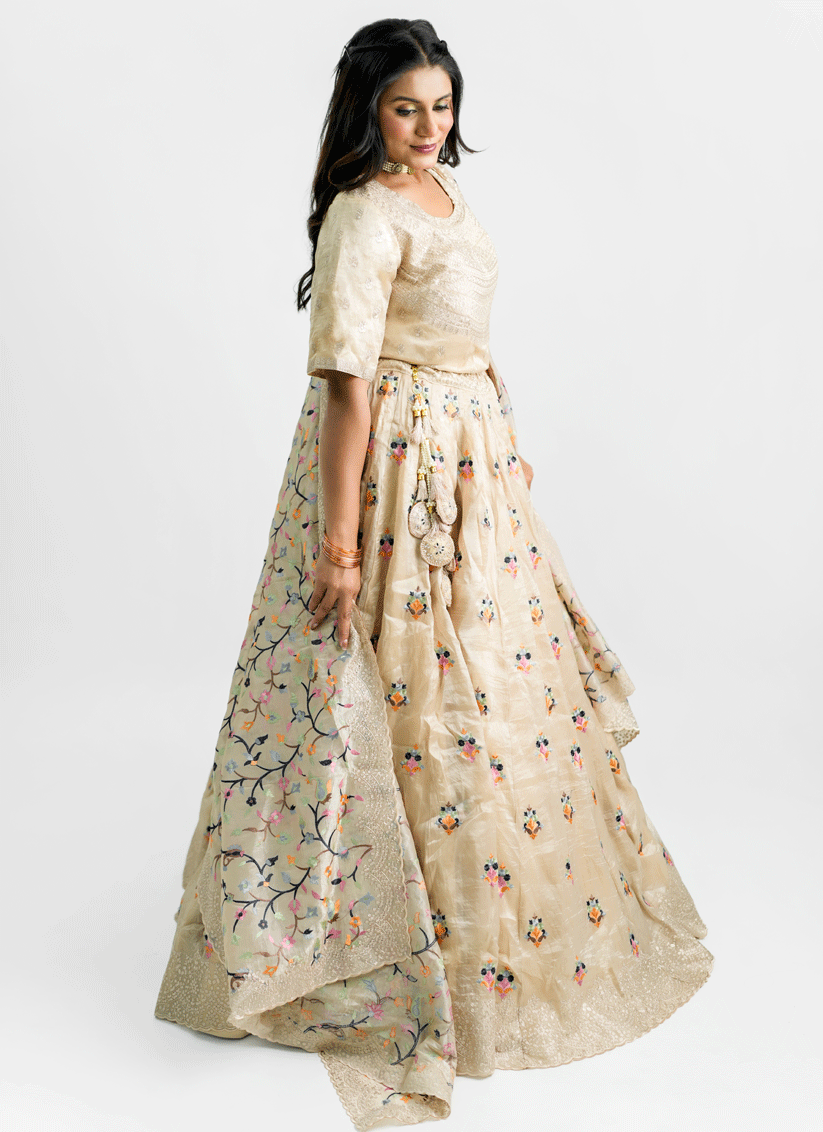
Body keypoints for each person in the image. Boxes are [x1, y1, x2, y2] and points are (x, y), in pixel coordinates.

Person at [155, 18, 714, 1130]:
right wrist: (338, 546)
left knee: (486, 688)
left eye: (441, 106)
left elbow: (465, 330)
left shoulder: (444, 193)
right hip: (396, 466)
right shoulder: (364, 212)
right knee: (395, 681)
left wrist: (498, 439)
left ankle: (484, 929)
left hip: (468, 458)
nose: (426, 126)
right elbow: (348, 383)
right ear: (368, 109)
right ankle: (369, 939)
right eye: (405, 107)